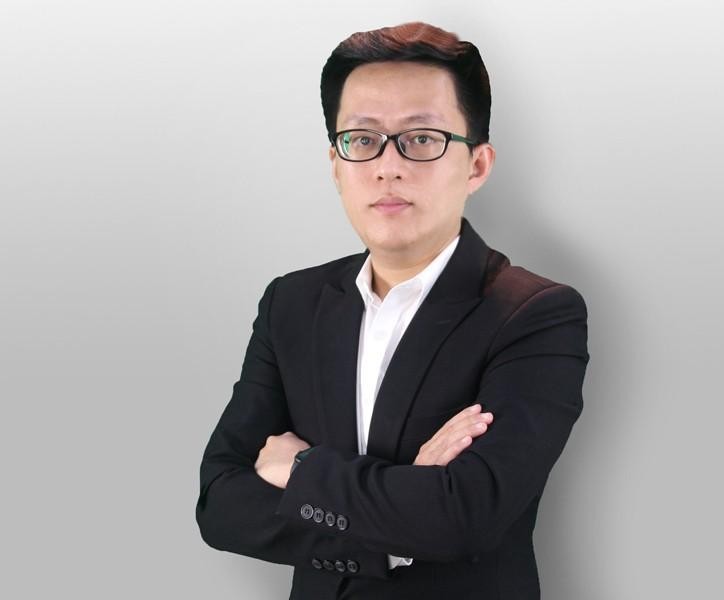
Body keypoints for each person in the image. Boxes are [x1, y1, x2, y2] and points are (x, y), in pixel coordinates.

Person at [196, 21, 589, 600]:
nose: (387, 167)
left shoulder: (535, 314)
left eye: (421, 138)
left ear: (477, 166)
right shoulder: (292, 303)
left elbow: (465, 517)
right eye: (362, 140)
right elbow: (221, 503)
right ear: (336, 165)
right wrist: (401, 512)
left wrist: (302, 471)